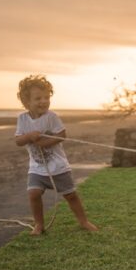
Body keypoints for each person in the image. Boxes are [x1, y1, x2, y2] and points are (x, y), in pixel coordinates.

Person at [15, 74, 98, 235]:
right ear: (26, 102)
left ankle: (84, 221)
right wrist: (29, 136)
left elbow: (62, 135)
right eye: (38, 98)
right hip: (37, 168)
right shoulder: (23, 119)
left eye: (46, 97)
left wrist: (43, 143)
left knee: (71, 195)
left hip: (58, 167)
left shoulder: (51, 117)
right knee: (33, 194)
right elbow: (18, 140)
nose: (44, 101)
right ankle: (39, 224)